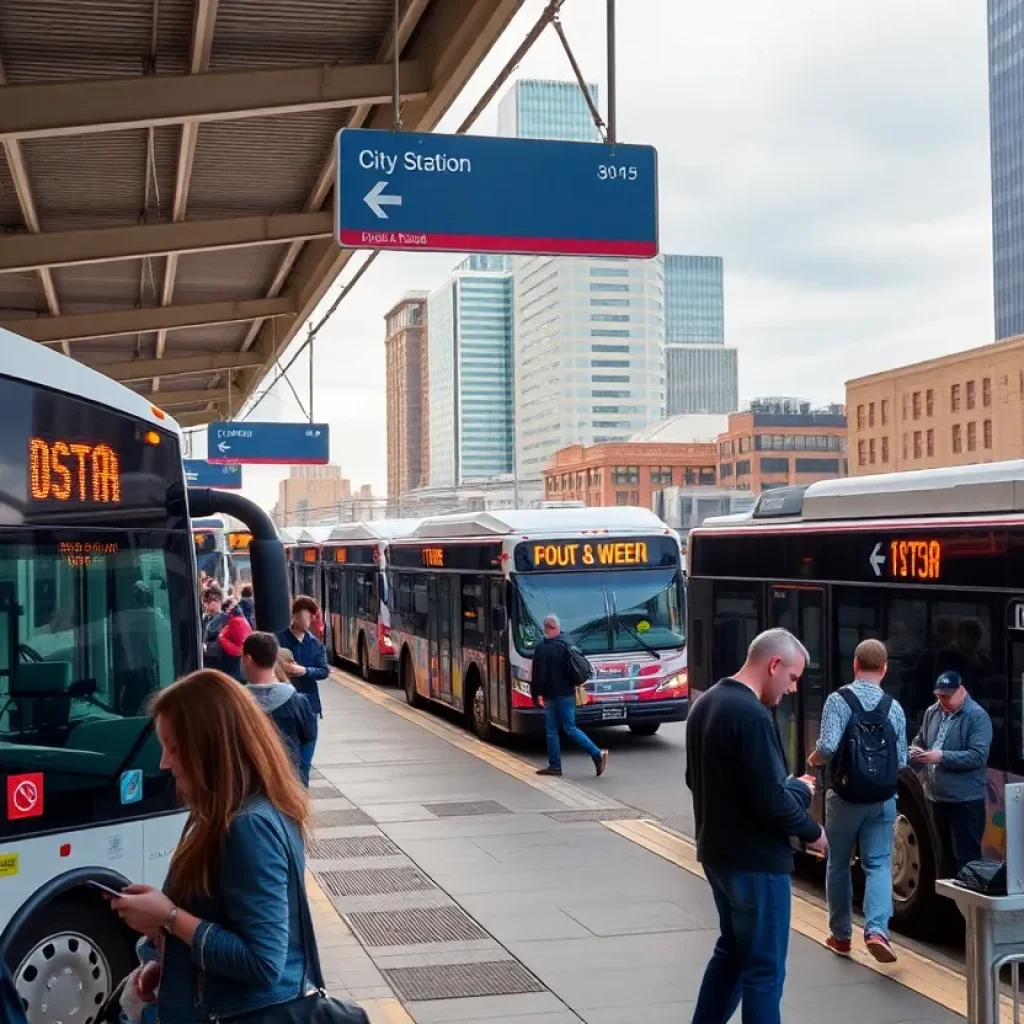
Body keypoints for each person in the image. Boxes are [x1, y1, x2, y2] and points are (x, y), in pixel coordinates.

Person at [108, 670, 313, 1024]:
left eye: (174, 748)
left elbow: (263, 963)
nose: (164, 763)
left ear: (211, 746)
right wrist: (167, 961)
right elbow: (223, 920)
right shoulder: (227, 813)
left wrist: (169, 917)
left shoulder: (249, 826)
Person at [685, 627, 826, 1024]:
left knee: (731, 952)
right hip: (758, 864)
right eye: (793, 678)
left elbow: (696, 780)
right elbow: (772, 803)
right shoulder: (753, 717)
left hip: (717, 857)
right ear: (774, 664)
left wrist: (785, 791)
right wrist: (813, 827)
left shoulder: (706, 704)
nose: (793, 689)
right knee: (764, 971)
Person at [808, 639, 907, 963]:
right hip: (882, 798)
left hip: (845, 796)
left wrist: (815, 759)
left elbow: (829, 746)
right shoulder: (894, 707)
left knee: (838, 863)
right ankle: (877, 931)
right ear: (884, 668)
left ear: (855, 665)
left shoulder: (838, 700)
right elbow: (902, 761)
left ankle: (841, 936)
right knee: (878, 863)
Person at [911, 670, 994, 875]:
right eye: (939, 696)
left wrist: (941, 757)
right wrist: (915, 751)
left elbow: (977, 756)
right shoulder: (933, 712)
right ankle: (947, 905)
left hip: (965, 802)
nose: (942, 701)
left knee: (966, 859)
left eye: (947, 696)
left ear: (961, 691)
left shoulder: (977, 716)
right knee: (943, 858)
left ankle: (966, 907)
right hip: (936, 799)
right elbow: (920, 739)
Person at [530, 614, 608, 778]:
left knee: (552, 731)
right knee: (570, 728)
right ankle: (595, 754)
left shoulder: (541, 648)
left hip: (551, 696)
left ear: (545, 629)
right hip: (567, 693)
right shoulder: (568, 643)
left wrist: (537, 694)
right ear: (557, 627)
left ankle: (557, 765)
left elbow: (539, 675)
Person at [242, 631, 317, 786]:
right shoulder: (298, 701)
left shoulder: (235, 703)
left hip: (249, 787)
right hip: (288, 785)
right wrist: (300, 780)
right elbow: (308, 740)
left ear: (248, 660)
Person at [277, 596, 330, 775]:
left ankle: (302, 796)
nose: (311, 621)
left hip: (309, 706)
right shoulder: (279, 640)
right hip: (284, 704)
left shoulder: (315, 644)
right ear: (296, 616)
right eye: (309, 617)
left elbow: (323, 671)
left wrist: (305, 671)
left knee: (305, 763)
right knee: (287, 760)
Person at [216, 603, 252, 682]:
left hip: (234, 667)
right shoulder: (241, 620)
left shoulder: (235, 622)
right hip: (239, 666)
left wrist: (221, 638)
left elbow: (239, 650)